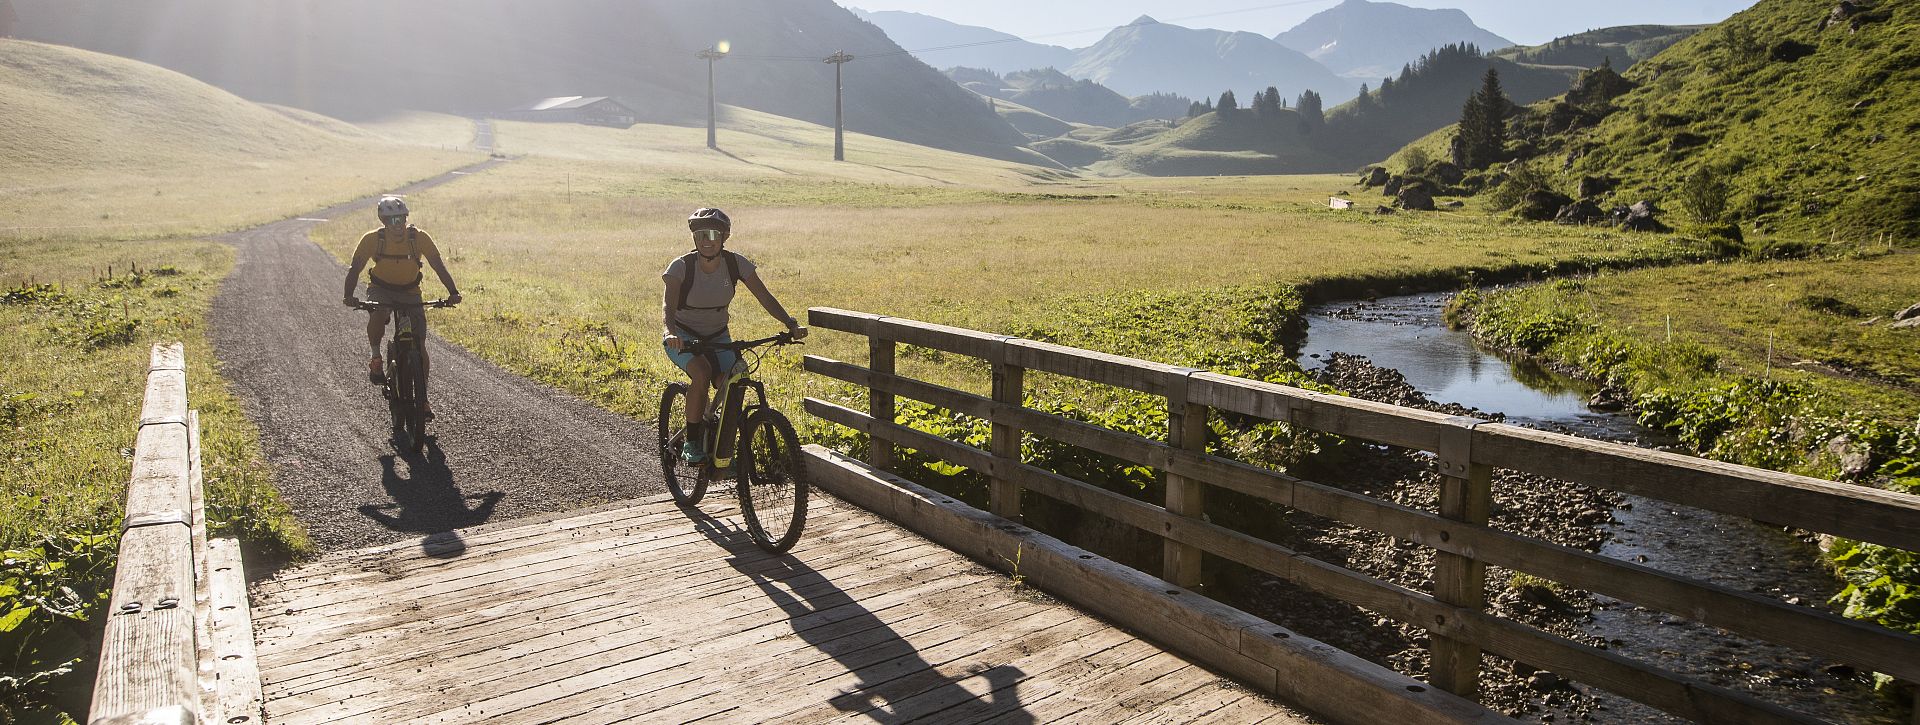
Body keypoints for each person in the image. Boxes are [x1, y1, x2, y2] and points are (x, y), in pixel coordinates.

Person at [662, 207, 805, 463]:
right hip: (683, 336)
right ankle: (692, 442)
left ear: (725, 237)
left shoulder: (735, 263)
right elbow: (668, 308)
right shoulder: (681, 267)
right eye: (700, 235)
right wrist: (670, 333)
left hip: (718, 336)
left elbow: (765, 297)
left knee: (737, 378)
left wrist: (790, 323)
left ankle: (722, 446)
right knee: (702, 373)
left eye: (713, 234)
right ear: (694, 238)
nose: (707, 241)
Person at [343, 196, 462, 418]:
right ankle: (376, 358)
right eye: (391, 220)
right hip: (382, 288)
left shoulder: (419, 238)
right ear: (383, 220)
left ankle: (423, 398)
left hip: (410, 291)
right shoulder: (371, 239)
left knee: (419, 343)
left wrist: (453, 292)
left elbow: (438, 265)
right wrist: (348, 296)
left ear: (406, 218)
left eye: (401, 218)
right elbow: (354, 268)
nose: (397, 224)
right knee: (379, 312)